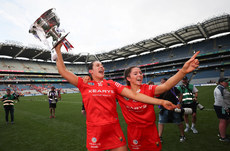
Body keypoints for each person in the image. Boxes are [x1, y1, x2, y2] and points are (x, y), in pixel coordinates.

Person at [55, 43, 176, 151]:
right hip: (95, 131)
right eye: (97, 65)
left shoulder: (112, 84)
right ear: (90, 71)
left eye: (102, 65)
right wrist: (58, 51)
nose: (101, 67)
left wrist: (161, 101)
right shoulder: (84, 83)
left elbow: (135, 95)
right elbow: (63, 71)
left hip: (114, 129)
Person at [116, 51, 199, 151]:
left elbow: (166, 85)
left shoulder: (148, 88)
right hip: (134, 131)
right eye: (136, 73)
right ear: (128, 78)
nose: (140, 75)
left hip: (150, 129)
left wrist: (183, 71)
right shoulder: (121, 91)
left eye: (141, 73)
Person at [157, 78, 185, 143]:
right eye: (161, 82)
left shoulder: (173, 88)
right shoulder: (160, 90)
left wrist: (179, 103)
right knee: (161, 123)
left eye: (163, 82)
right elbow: (157, 99)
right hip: (163, 109)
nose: (162, 84)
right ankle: (159, 137)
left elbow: (180, 94)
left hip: (174, 108)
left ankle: (182, 135)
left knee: (179, 122)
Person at [214, 77, 230, 142]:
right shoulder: (219, 89)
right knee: (223, 121)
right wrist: (226, 108)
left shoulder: (223, 88)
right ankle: (222, 137)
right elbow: (220, 100)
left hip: (225, 106)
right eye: (225, 81)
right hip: (221, 107)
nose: (227, 82)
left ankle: (221, 133)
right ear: (221, 82)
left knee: (227, 120)